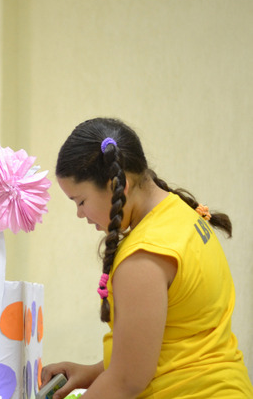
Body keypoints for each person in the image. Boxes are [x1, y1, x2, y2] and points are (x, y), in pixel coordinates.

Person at [41, 117, 253, 398]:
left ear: (119, 184)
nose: (80, 214)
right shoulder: (183, 216)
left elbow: (127, 382)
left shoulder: (144, 257)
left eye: (80, 201)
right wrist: (91, 373)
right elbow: (170, 342)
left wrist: (108, 378)